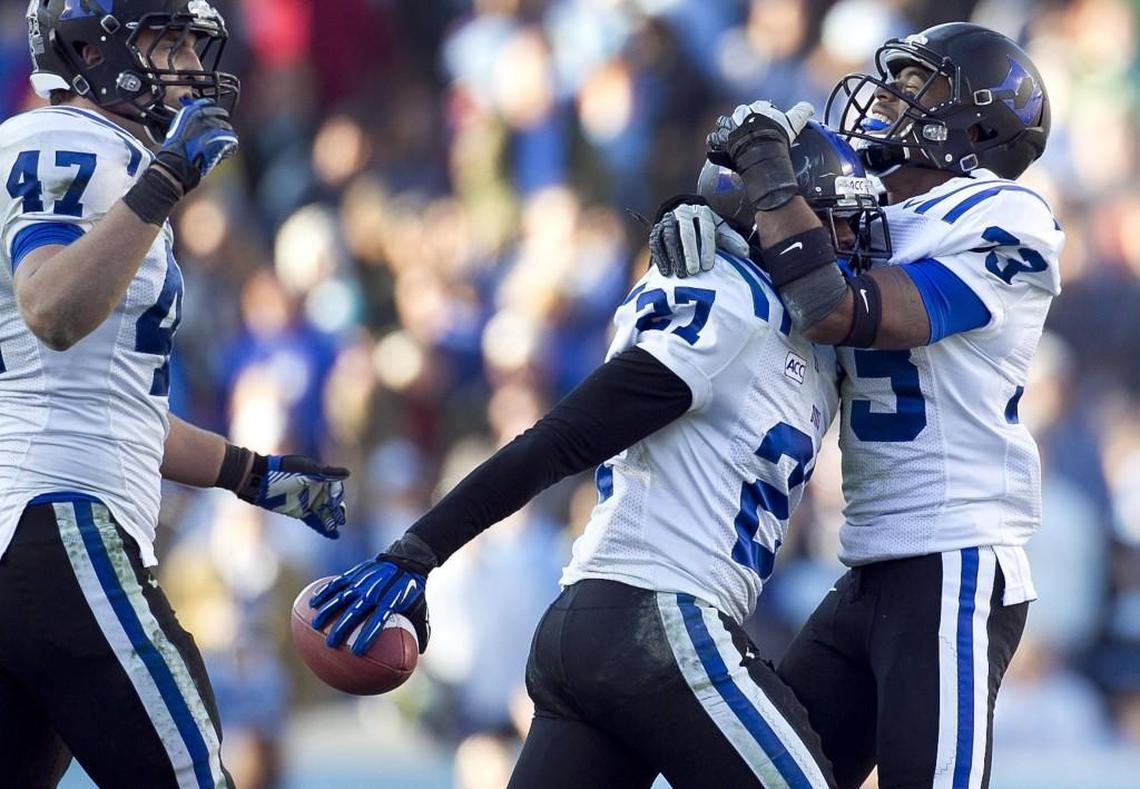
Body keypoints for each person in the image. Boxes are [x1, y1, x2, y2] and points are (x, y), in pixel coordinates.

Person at [305, 122, 888, 789]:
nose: (842, 247)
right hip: (659, 619)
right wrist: (419, 548)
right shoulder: (734, 307)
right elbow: (565, 436)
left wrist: (687, 206)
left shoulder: (795, 330)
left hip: (589, 632)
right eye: (829, 225)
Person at [650, 22, 1063, 789]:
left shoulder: (1004, 216)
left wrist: (774, 187)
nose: (888, 99)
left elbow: (836, 307)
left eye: (918, 88)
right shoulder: (858, 211)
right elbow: (777, 279)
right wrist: (707, 219)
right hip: (871, 562)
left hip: (955, 556)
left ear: (977, 128)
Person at [0, 2, 348, 787]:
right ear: (89, 47)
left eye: (195, 41)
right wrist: (161, 183)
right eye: (170, 37)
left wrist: (253, 474)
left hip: (31, 524)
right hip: (60, 522)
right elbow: (50, 308)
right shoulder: (72, 141)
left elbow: (112, 405)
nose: (190, 60)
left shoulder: (94, 156)